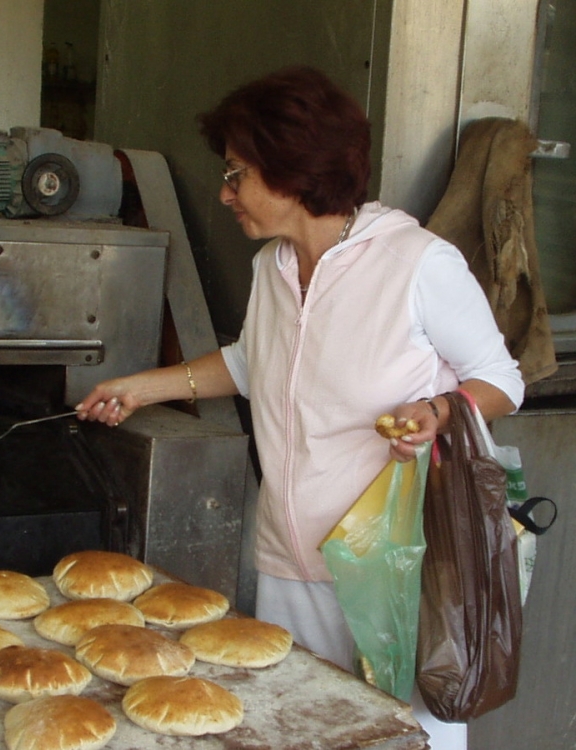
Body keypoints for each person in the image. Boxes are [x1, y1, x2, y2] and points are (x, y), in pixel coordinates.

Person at [76, 66, 524, 749]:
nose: (226, 195)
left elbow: (501, 378)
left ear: (293, 171)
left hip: (392, 568)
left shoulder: (416, 263)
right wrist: (141, 387)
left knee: (401, 737)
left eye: (237, 175)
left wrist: (439, 408)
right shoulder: (272, 269)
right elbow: (255, 364)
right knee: (301, 729)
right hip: (290, 558)